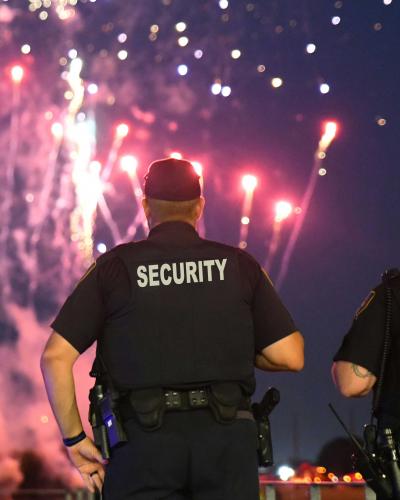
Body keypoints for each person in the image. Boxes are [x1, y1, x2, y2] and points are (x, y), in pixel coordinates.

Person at [41, 157, 304, 499]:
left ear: (146, 205)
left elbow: (54, 358)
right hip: (228, 445)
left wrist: (75, 440)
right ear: (200, 207)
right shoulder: (240, 265)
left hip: (144, 446)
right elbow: (290, 356)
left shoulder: (114, 268)